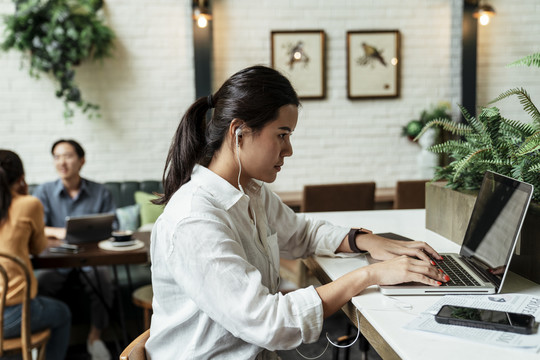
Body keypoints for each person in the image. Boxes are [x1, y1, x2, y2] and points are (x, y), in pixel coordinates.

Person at [146, 65, 448, 359]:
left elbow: (300, 233)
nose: (289, 149)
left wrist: (366, 241)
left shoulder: (251, 192)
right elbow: (271, 323)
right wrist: (369, 274)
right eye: (281, 134)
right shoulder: (194, 219)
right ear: (239, 132)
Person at [32, 139, 115, 360]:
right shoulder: (44, 192)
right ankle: (44, 344)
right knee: (41, 283)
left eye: (67, 156)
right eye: (57, 157)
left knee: (104, 280)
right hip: (58, 261)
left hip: (92, 261)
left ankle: (95, 338)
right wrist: (61, 232)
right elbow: (38, 227)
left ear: (81, 161)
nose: (62, 162)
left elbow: (112, 228)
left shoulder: (100, 192)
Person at [0, 150, 71, 360]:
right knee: (63, 314)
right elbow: (38, 247)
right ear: (21, 178)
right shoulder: (28, 204)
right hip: (11, 315)